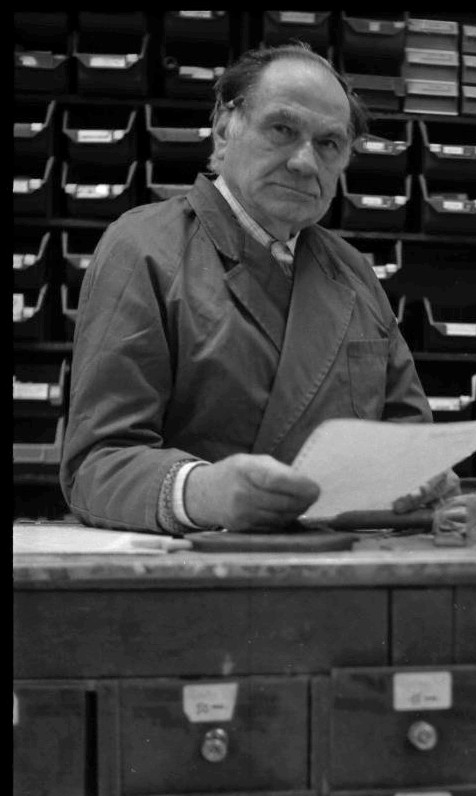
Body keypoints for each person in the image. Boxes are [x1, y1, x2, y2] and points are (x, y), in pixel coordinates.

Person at [60, 41, 455, 534]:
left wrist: (425, 481)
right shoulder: (143, 248)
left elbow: (409, 440)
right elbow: (98, 463)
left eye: (329, 143)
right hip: (198, 565)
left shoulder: (352, 272)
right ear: (225, 129)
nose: (305, 162)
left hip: (342, 562)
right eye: (282, 130)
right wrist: (204, 492)